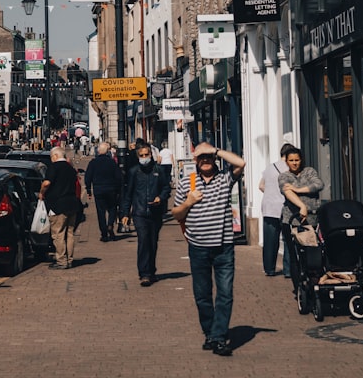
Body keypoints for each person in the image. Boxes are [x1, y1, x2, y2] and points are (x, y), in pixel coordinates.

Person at [171, 141, 246, 357]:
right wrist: (188, 202)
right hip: (198, 247)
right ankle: (210, 332)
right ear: (195, 161)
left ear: (214, 159)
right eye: (201, 158)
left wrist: (214, 150)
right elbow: (176, 214)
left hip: (223, 247)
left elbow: (241, 163)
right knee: (202, 295)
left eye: (209, 157)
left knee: (225, 294)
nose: (205, 161)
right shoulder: (188, 183)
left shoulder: (224, 178)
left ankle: (219, 337)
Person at [119, 144, 171, 285]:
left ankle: (152, 271)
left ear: (151, 155)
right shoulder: (134, 172)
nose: (144, 158)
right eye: (141, 156)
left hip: (155, 213)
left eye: (146, 155)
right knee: (143, 241)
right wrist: (125, 213)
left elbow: (166, 188)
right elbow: (128, 193)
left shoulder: (158, 170)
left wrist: (161, 197)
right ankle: (144, 273)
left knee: (152, 242)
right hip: (139, 213)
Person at [278, 146, 324, 295]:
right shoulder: (284, 176)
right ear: (286, 161)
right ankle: (299, 288)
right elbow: (287, 191)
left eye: (297, 160)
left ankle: (314, 283)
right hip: (291, 221)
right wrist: (301, 206)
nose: (294, 163)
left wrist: (298, 190)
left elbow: (318, 185)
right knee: (295, 255)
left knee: (313, 254)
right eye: (291, 160)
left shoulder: (309, 171)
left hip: (312, 220)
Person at [258, 142, 296, 278]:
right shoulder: (291, 169)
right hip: (286, 207)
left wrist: (270, 193)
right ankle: (288, 270)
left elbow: (261, 186)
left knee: (270, 240)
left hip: (269, 207)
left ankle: (269, 269)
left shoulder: (269, 168)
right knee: (288, 240)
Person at [39, 145, 80, 270]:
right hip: (72, 204)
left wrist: (42, 192)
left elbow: (47, 183)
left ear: (55, 156)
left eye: (52, 157)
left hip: (57, 205)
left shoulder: (54, 167)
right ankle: (70, 259)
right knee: (70, 233)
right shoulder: (70, 169)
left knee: (58, 234)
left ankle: (61, 261)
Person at [85, 141, 123, 241]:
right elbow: (118, 177)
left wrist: (88, 190)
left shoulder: (93, 163)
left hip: (98, 190)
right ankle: (110, 224)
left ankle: (104, 234)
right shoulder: (112, 162)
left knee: (100, 212)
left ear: (98, 151)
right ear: (107, 151)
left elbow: (88, 177)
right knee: (112, 208)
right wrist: (119, 190)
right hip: (111, 189)